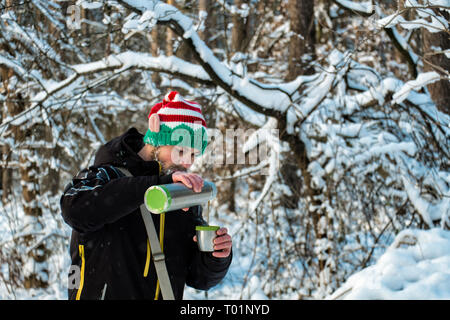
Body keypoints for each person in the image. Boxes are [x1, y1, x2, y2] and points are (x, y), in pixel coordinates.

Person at [60, 91, 232, 300]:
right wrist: (155, 186)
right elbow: (75, 210)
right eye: (181, 150)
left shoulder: (179, 193)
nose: (187, 162)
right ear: (157, 138)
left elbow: (197, 278)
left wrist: (215, 257)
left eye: (194, 154)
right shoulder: (106, 174)